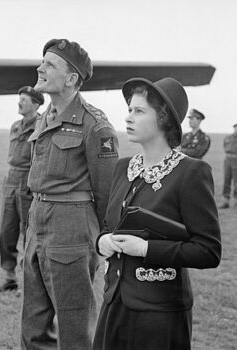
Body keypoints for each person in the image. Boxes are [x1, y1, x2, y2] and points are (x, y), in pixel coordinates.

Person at [93, 77, 221, 350]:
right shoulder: (123, 167)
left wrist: (146, 249)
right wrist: (102, 242)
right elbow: (108, 226)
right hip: (114, 303)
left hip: (159, 315)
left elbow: (208, 251)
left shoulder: (191, 173)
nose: (128, 118)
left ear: (163, 118)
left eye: (139, 111)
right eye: (129, 109)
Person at [21, 39, 119, 350]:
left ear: (72, 78)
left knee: (75, 325)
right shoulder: (44, 116)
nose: (40, 68)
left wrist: (105, 242)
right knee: (33, 324)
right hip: (37, 222)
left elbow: (107, 192)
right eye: (42, 61)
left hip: (71, 229)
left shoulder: (95, 125)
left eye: (50, 64)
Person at [0, 86, 44, 292]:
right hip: (11, 180)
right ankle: (9, 277)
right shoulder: (15, 126)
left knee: (28, 232)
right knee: (7, 231)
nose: (19, 102)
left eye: (24, 99)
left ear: (36, 104)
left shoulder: (41, 125)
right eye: (19, 98)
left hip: (28, 181)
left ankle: (29, 283)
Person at [219, 123, 237, 209]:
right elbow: (225, 146)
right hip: (227, 159)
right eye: (235, 128)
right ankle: (225, 201)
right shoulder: (228, 138)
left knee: (236, 181)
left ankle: (236, 201)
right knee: (227, 180)